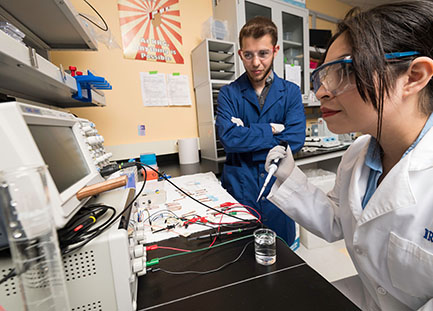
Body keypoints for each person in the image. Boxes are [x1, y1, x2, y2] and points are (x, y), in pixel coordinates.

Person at [265, 1, 433, 310]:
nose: (321, 92)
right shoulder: (359, 153)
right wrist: (291, 178)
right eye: (322, 77)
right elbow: (338, 220)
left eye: (344, 70)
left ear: (414, 76)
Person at [215, 16, 306, 246]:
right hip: (240, 193)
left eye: (263, 53)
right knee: (241, 260)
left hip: (279, 195)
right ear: (240, 54)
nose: (255, 62)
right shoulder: (228, 94)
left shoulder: (291, 92)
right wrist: (272, 131)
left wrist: (247, 134)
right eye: (249, 54)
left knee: (285, 262)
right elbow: (229, 140)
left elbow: (294, 140)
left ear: (275, 50)